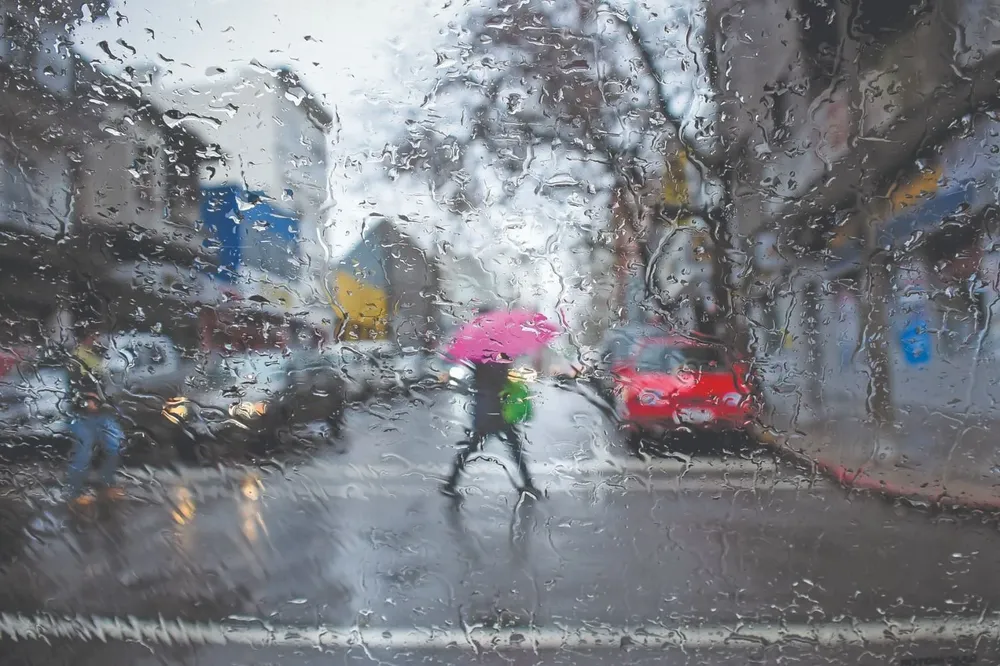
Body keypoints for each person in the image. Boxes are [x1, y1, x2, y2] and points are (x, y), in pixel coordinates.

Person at [442, 355, 540, 499]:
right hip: (496, 413)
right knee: (515, 450)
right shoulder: (494, 364)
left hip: (487, 413)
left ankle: (451, 484)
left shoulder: (480, 364)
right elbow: (499, 383)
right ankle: (528, 484)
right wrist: (506, 367)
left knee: (474, 449)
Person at [65, 333, 125, 504]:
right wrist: (87, 398)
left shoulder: (97, 357)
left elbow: (104, 385)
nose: (98, 340)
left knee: (116, 443)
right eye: (94, 336)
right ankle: (74, 491)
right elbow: (74, 387)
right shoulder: (76, 358)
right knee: (84, 450)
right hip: (81, 415)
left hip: (101, 413)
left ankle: (107, 484)